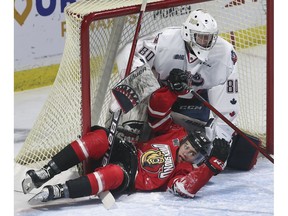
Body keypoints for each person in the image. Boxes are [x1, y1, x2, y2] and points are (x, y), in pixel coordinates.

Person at [22, 79, 230, 204]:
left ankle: (58, 191)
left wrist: (212, 167)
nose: (187, 152)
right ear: (185, 139)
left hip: (131, 176)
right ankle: (45, 172)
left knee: (111, 174)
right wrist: (172, 91)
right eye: (188, 146)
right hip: (129, 150)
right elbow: (156, 112)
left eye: (193, 153)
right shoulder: (175, 132)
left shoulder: (183, 170)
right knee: (100, 138)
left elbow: (185, 188)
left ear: (198, 159)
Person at [116, 9, 239, 144]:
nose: (204, 41)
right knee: (132, 116)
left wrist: (221, 142)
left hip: (193, 103)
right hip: (160, 96)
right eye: (200, 36)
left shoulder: (224, 54)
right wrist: (147, 91)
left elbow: (228, 108)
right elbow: (129, 53)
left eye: (208, 37)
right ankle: (121, 145)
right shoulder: (165, 40)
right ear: (187, 32)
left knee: (195, 146)